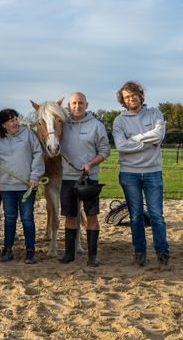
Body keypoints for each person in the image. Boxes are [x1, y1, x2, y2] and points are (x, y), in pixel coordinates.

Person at [113, 81, 170, 270]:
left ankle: (162, 254)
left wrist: (135, 139)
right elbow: (121, 146)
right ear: (123, 100)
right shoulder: (119, 121)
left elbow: (159, 135)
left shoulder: (154, 113)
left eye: (134, 94)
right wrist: (148, 142)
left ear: (140, 94)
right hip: (130, 174)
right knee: (136, 216)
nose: (131, 98)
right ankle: (140, 253)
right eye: (127, 96)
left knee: (156, 215)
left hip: (153, 172)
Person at [0, 109, 44, 264]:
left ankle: (30, 250)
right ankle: (7, 249)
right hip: (7, 188)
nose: (16, 123)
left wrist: (34, 176)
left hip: (27, 186)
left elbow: (38, 154)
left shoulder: (27, 134)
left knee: (27, 218)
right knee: (10, 218)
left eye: (16, 119)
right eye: (11, 120)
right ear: (3, 125)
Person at [59, 92, 110, 267]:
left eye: (80, 103)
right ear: (69, 106)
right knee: (70, 216)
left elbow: (105, 150)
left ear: (86, 105)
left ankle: (92, 256)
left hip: (89, 179)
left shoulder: (97, 125)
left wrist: (91, 163)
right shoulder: (63, 125)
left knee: (91, 216)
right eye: (73, 103)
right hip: (67, 178)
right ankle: (69, 254)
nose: (77, 106)